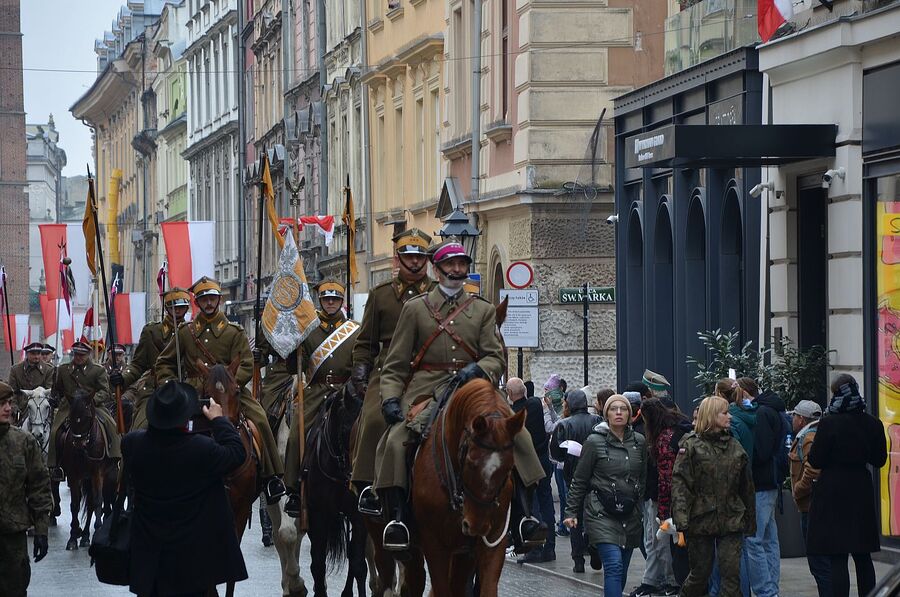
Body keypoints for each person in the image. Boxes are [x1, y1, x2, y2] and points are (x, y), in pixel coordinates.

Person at [372, 240, 546, 552]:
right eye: (449, 265)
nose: (457, 270)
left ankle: (525, 516)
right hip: (427, 386)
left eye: (461, 264)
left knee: (519, 438)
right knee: (396, 441)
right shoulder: (415, 310)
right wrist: (390, 398)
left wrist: (478, 370)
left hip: (474, 388)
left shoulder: (482, 310)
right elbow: (395, 363)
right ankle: (398, 518)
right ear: (436, 271)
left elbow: (494, 357)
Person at [154, 276, 286, 503]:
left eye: (212, 298)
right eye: (204, 299)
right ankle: (156, 473)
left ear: (219, 300)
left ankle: (272, 476)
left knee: (261, 419)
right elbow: (164, 362)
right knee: (164, 424)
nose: (208, 303)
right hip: (193, 392)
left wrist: (231, 385)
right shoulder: (186, 332)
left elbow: (245, 363)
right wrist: (171, 385)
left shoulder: (233, 332)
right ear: (197, 302)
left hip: (230, 392)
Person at [123, 380, 248, 596]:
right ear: (185, 418)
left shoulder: (133, 444)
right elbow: (236, 452)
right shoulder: (201, 449)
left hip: (151, 560)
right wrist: (219, 420)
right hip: (192, 562)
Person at [352, 228, 436, 513]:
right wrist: (362, 376)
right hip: (389, 370)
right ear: (397, 259)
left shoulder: (438, 295)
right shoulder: (381, 295)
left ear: (427, 260)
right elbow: (365, 342)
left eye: (420, 257)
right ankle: (366, 484)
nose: (414, 263)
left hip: (430, 370)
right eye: (408, 257)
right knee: (375, 419)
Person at [281, 280, 360, 517]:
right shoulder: (308, 330)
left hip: (346, 393)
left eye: (335, 299)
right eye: (326, 299)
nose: (331, 303)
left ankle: (368, 483)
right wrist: (294, 348)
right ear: (320, 301)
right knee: (295, 435)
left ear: (342, 301)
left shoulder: (354, 330)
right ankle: (294, 490)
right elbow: (292, 368)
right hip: (316, 392)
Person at [807, 375, 887, 597]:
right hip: (860, 489)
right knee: (863, 556)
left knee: (837, 555)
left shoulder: (829, 422)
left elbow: (815, 459)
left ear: (836, 394)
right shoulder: (872, 423)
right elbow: (880, 460)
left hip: (833, 490)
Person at [563, 394, 647, 597]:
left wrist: (640, 508)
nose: (618, 413)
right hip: (601, 513)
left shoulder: (639, 442)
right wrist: (571, 511)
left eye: (623, 409)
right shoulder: (594, 442)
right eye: (613, 409)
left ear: (631, 414)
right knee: (614, 566)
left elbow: (642, 479)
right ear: (605, 414)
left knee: (622, 570)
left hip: (629, 514)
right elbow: (580, 479)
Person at [672, 395, 756, 597]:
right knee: (700, 574)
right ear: (711, 416)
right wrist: (681, 520)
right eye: (725, 413)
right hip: (701, 519)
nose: (730, 417)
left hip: (731, 519)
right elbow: (680, 483)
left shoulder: (735, 446)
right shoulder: (691, 445)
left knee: (731, 575)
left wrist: (750, 522)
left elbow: (746, 486)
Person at [110, 288, 191, 431]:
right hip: (155, 389)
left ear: (186, 308)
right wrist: (123, 378)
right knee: (140, 429)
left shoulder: (192, 332)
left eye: (181, 307)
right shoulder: (151, 332)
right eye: (173, 307)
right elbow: (138, 364)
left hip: (186, 388)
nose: (177, 311)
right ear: (166, 308)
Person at [0, 382, 51, 597]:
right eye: (1, 404)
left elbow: (39, 486)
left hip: (13, 535)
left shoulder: (24, 441)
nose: (8, 409)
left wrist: (41, 530)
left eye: (9, 403)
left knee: (15, 588)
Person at [736, 377, 784, 597]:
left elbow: (762, 450)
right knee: (768, 539)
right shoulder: (772, 409)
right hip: (770, 481)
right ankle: (770, 589)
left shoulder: (762, 413)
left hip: (760, 482)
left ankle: (765, 591)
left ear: (744, 392)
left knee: (754, 540)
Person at [47, 341, 121, 481]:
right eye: (76, 354)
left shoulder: (97, 370)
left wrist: (91, 401)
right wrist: (54, 397)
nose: (79, 357)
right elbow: (58, 389)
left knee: (112, 426)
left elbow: (105, 391)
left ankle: (114, 458)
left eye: (83, 355)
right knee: (55, 431)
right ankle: (55, 466)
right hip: (68, 407)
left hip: (92, 406)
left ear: (89, 355)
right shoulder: (63, 370)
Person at [640, 397, 693, 589]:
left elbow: (666, 479)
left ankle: (673, 582)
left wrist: (663, 513)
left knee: (664, 542)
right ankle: (671, 581)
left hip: (669, 500)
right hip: (685, 497)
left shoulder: (663, 439)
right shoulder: (679, 430)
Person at [550, 388, 601, 573]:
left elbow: (556, 453)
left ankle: (578, 559)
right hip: (596, 477)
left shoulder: (564, 424)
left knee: (573, 518)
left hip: (573, 476)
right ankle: (594, 548)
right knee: (595, 517)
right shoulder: (597, 421)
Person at [511, 376, 556, 563]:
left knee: (532, 506)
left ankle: (536, 547)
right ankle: (550, 548)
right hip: (544, 461)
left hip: (527, 465)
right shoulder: (536, 405)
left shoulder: (513, 413)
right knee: (547, 506)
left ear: (509, 394)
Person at [788, 399, 830, 597]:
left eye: (795, 415)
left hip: (812, 507)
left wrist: (798, 489)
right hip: (814, 507)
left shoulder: (809, 437)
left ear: (802, 419)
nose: (793, 419)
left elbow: (813, 469)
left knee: (819, 563)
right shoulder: (814, 433)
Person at [8, 341, 54, 423]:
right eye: (33, 354)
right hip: (21, 408)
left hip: (41, 407)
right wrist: (14, 407)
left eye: (39, 353)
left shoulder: (48, 370)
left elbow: (48, 391)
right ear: (27, 354)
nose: (36, 356)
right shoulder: (16, 370)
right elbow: (12, 392)